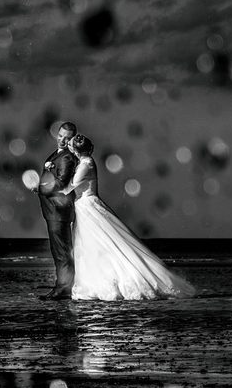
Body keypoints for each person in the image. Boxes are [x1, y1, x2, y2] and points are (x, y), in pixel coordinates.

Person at [58, 134, 196, 300]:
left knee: (103, 246)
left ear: (75, 149)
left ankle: (115, 283)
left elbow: (69, 187)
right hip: (83, 207)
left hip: (88, 207)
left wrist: (49, 187)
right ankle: (95, 283)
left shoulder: (86, 164)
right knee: (90, 249)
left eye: (71, 146)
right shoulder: (83, 162)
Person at [32, 122, 78, 301]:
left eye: (67, 138)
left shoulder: (67, 158)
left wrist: (40, 186)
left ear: (72, 139)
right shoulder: (57, 155)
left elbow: (61, 183)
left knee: (62, 251)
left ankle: (64, 289)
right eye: (60, 136)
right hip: (53, 211)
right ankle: (61, 285)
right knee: (59, 250)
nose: (62, 140)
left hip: (58, 211)